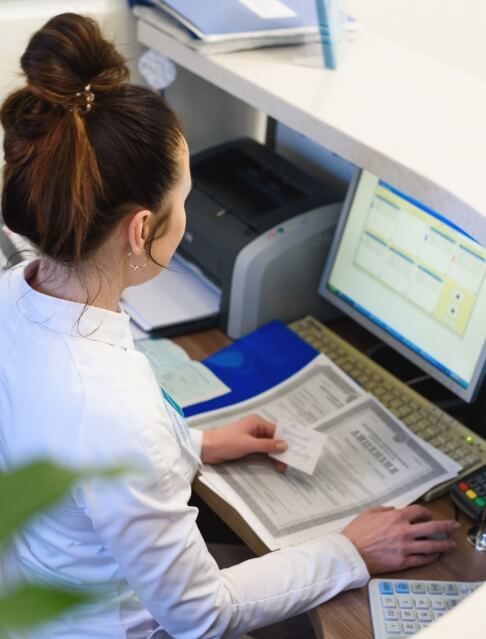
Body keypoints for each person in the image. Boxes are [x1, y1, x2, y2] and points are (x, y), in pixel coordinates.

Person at [0, 13, 459, 639]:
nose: (186, 214)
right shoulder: (114, 413)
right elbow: (201, 614)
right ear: (141, 229)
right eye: (184, 199)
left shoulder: (17, 292)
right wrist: (350, 551)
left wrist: (195, 443)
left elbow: (73, 450)